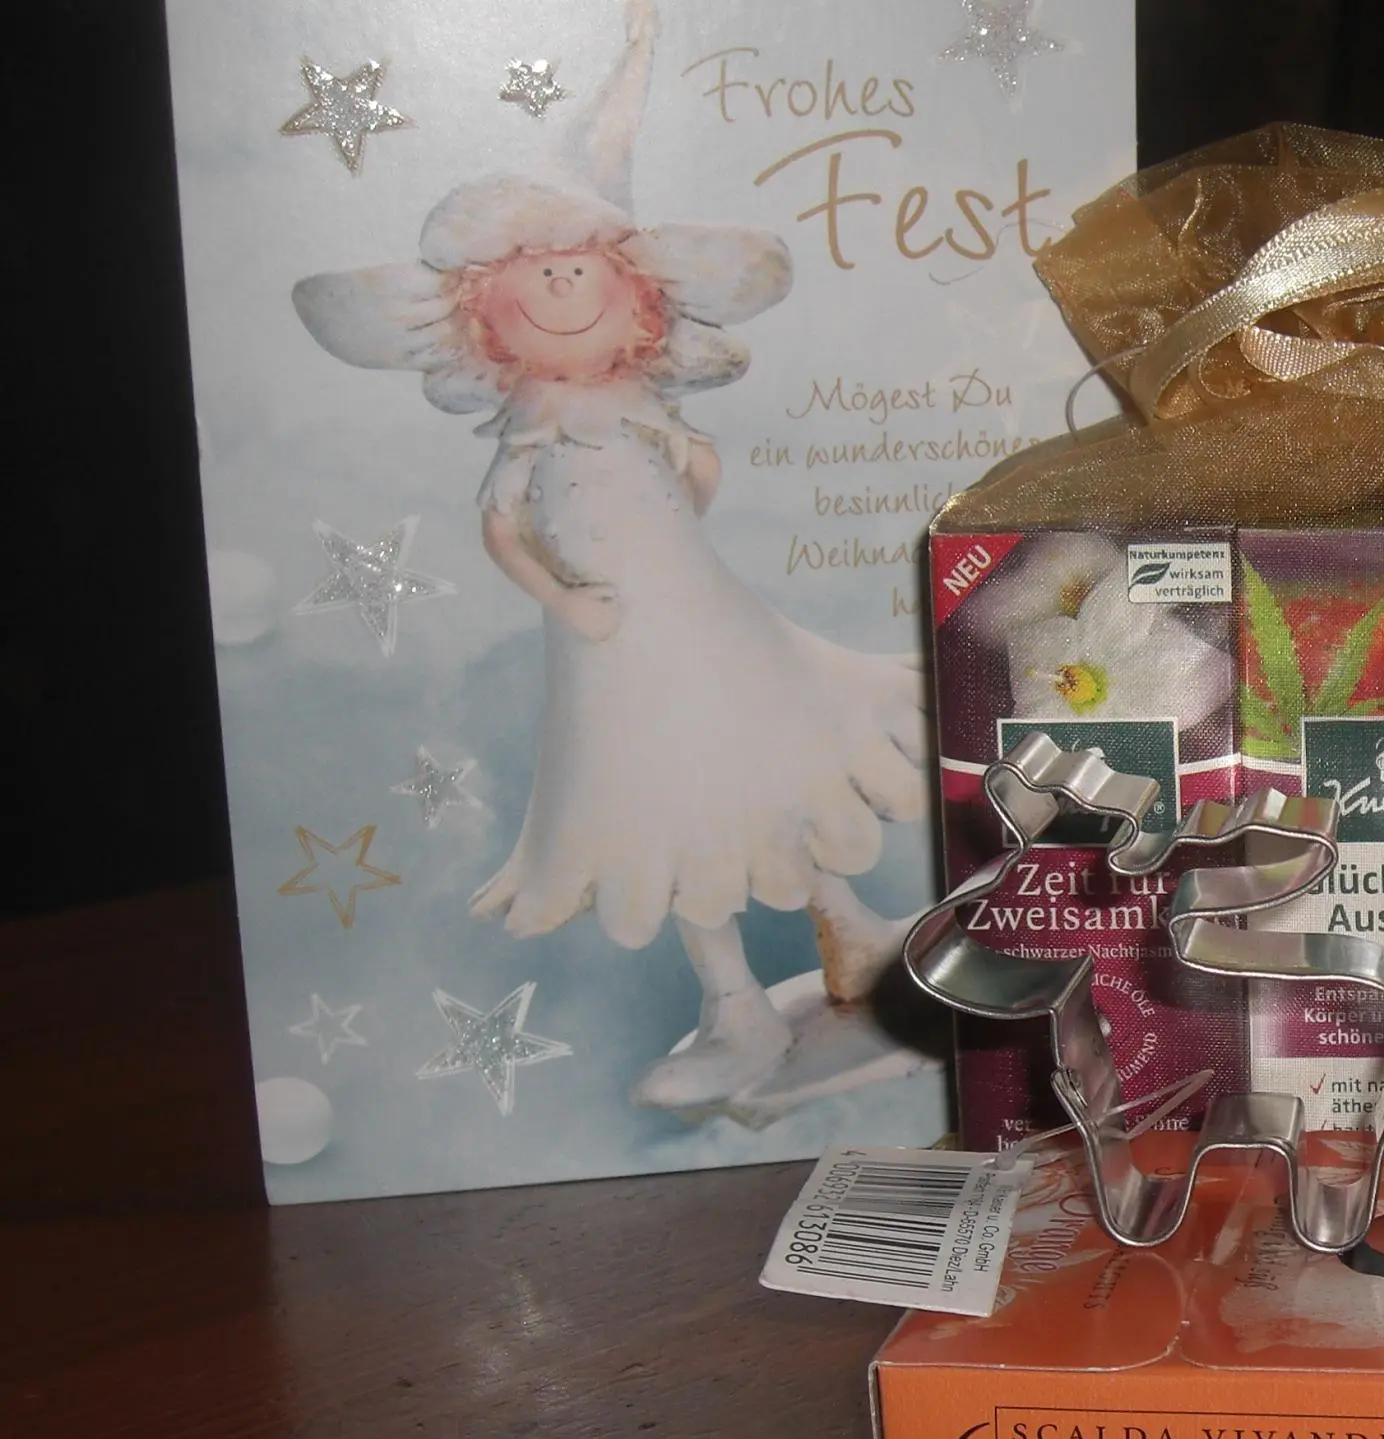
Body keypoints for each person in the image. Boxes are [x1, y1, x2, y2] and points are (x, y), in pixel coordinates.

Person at [289, 0, 922, 1112]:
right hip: (614, 650)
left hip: (711, 624)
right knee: (651, 810)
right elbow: (503, 529)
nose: (561, 287)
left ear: (634, 296)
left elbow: (691, 488)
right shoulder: (533, 431)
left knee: (773, 763)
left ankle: (854, 932)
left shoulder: (641, 408)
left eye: (579, 269)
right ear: (487, 317)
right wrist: (560, 596)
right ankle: (733, 1005)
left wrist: (693, 486)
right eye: (534, 276)